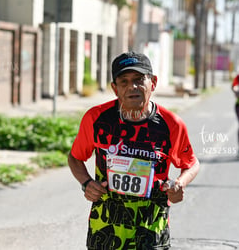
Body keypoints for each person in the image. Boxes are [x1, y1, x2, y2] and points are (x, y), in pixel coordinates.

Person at [68, 51, 200, 249]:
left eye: (139, 79)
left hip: (151, 231)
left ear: (153, 83)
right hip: (105, 230)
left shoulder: (171, 124)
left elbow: (191, 164)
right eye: (124, 81)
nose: (132, 87)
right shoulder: (96, 119)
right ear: (115, 88)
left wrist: (179, 184)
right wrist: (86, 183)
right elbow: (75, 157)